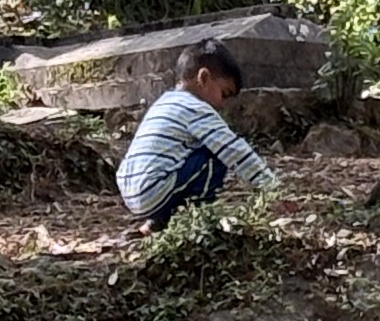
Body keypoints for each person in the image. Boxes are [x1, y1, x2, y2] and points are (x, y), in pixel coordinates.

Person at [117, 39, 281, 233]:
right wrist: (272, 189)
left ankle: (157, 222)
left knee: (191, 156)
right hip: (153, 190)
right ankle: (199, 222)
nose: (222, 105)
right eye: (224, 94)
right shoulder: (195, 108)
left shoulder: (165, 102)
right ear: (204, 78)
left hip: (132, 192)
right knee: (216, 153)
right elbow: (234, 150)